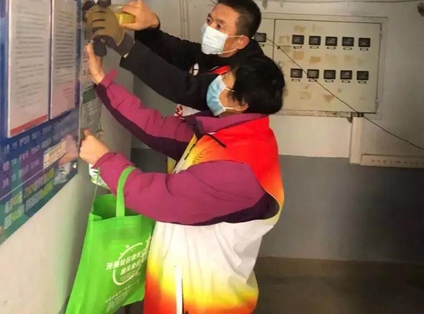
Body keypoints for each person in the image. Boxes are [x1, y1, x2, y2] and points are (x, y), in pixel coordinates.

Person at [79, 42, 285, 314]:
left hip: (201, 299)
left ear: (241, 103)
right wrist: (103, 82)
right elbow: (155, 127)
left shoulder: (238, 167)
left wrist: (103, 160)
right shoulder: (231, 133)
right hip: (184, 281)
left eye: (225, 79)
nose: (216, 81)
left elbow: (161, 198)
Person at [83, 0, 265, 115]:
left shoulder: (248, 76)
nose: (209, 28)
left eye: (219, 26)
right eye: (209, 20)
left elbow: (187, 88)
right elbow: (176, 51)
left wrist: (124, 44)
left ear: (241, 41)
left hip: (207, 151)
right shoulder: (218, 51)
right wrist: (151, 24)